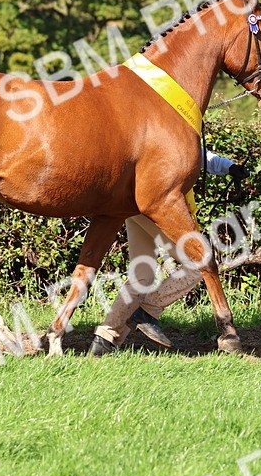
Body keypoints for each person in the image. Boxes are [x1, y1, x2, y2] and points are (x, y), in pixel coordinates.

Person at [89, 150, 248, 355]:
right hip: (155, 204)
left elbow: (192, 152)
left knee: (142, 276)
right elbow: (185, 148)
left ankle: (105, 338)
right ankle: (148, 311)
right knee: (199, 262)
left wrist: (228, 167)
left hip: (133, 205)